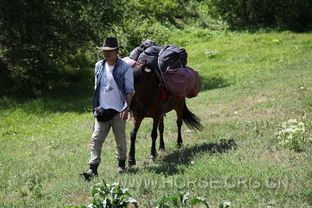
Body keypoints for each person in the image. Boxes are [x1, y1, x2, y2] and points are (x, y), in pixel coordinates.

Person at [80, 37, 135, 180]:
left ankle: (121, 165)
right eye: (105, 51)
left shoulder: (125, 68)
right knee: (96, 139)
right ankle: (92, 169)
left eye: (110, 51)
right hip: (102, 110)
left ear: (117, 51)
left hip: (119, 111)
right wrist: (97, 106)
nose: (107, 54)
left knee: (120, 140)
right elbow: (97, 86)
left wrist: (126, 108)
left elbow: (130, 90)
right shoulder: (98, 65)